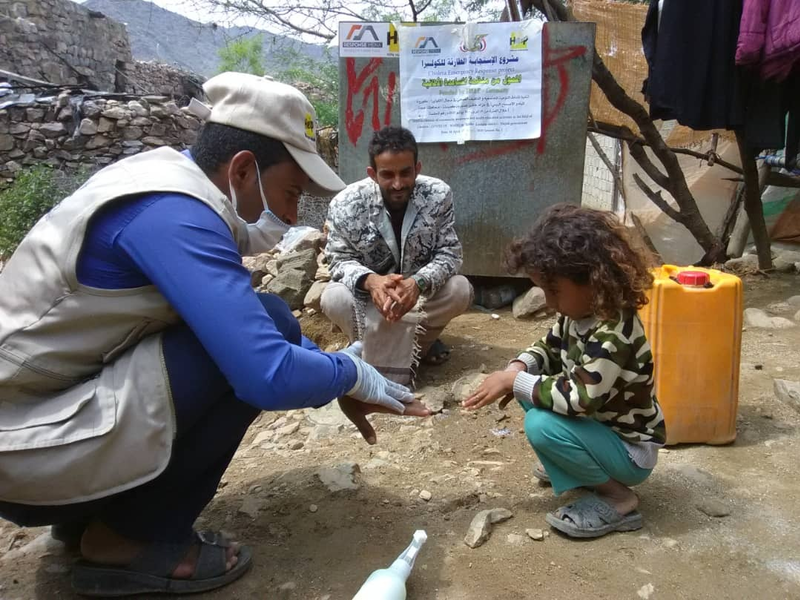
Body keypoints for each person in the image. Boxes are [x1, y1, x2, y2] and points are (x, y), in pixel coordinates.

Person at [0, 72, 428, 596]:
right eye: (292, 192)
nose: (294, 214)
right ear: (244, 169)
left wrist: (331, 370)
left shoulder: (159, 180)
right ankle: (128, 539)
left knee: (266, 319)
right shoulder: (177, 217)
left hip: (37, 429)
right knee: (261, 336)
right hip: (23, 453)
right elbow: (266, 373)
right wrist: (351, 374)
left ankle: (96, 513)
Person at [464, 205, 666, 539]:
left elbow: (579, 399)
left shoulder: (614, 331)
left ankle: (619, 498)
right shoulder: (579, 314)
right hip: (600, 431)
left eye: (554, 290)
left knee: (541, 424)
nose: (549, 301)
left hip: (630, 452)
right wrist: (517, 367)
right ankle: (572, 464)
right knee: (529, 391)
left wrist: (515, 380)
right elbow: (548, 347)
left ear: (592, 278)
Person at [321, 126, 472, 376]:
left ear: (417, 168)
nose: (398, 184)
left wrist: (417, 283)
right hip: (369, 300)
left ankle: (389, 352)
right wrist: (372, 282)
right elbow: (338, 259)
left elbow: (450, 252)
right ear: (372, 173)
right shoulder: (345, 203)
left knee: (459, 289)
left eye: (405, 173)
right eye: (387, 175)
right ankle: (409, 349)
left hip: (419, 296)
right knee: (333, 298)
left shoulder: (438, 194)